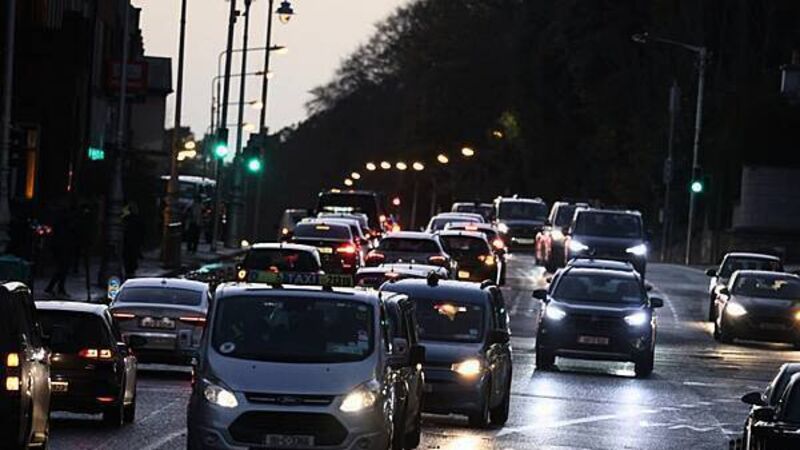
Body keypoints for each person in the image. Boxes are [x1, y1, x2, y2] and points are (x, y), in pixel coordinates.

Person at [123, 202, 145, 279]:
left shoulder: (127, 219)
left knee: (129, 256)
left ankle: (129, 271)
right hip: (133, 241)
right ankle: (130, 271)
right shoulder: (136, 219)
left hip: (129, 240)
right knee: (132, 256)